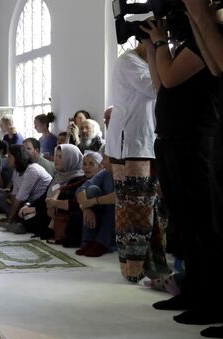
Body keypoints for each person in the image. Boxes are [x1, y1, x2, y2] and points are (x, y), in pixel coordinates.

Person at [142, 18, 222, 326]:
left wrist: (161, 41)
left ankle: (212, 300)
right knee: (185, 224)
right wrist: (151, 46)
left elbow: (171, 78)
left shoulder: (207, 41)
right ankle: (192, 290)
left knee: (203, 226)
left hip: (195, 142)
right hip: (173, 142)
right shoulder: (183, 46)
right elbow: (161, 85)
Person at [105, 36, 164, 283]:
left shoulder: (148, 61)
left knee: (143, 206)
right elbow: (155, 88)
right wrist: (156, 53)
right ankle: (134, 267)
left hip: (143, 141)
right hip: (131, 142)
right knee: (135, 207)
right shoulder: (128, 61)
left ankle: (145, 266)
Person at [182, 2, 223, 334]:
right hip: (214, 136)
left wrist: (200, 13)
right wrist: (196, 15)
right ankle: (198, 294)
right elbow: (215, 65)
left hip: (203, 135)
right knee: (201, 224)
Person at [0, 144, 52, 233]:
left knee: (27, 214)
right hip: (26, 202)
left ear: (17, 157)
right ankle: (17, 217)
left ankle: (20, 221)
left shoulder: (32, 170)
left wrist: (9, 219)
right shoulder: (16, 170)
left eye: (10, 156)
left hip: (39, 205)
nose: (7, 159)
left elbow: (20, 198)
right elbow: (15, 194)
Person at [75, 152, 116, 257]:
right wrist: (86, 208)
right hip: (104, 213)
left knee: (111, 201)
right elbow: (81, 189)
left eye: (106, 158)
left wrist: (94, 201)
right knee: (92, 190)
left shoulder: (126, 173)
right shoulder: (105, 173)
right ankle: (89, 242)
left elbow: (122, 196)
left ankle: (103, 243)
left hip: (119, 215)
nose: (103, 162)